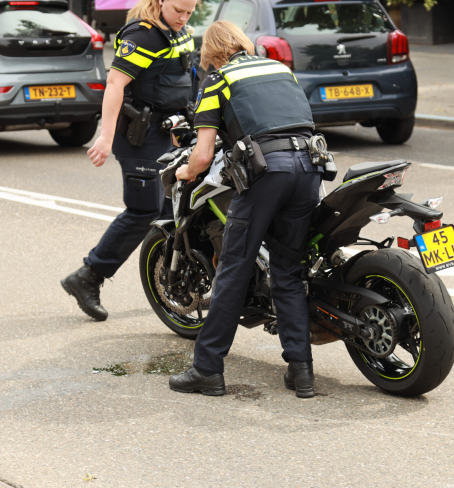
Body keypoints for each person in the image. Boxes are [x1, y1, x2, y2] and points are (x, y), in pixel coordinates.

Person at [168, 21, 323, 399]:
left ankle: (206, 370)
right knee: (287, 270)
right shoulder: (278, 68)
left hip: (268, 174)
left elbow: (203, 155)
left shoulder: (218, 80)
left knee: (234, 269)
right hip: (310, 168)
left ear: (211, 53)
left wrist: (184, 171)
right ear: (241, 42)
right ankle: (301, 374)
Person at [61, 0, 197, 321]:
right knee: (145, 209)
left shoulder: (182, 33)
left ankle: (173, 284)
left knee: (170, 211)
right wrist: (105, 137)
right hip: (138, 135)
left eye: (190, 11)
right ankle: (88, 277)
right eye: (178, 9)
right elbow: (115, 84)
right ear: (161, 1)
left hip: (167, 130)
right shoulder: (143, 36)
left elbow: (181, 84)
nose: (184, 17)